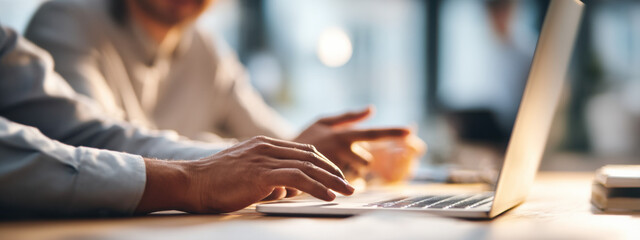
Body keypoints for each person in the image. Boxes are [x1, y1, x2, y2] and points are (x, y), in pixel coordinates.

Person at [24, 0, 425, 180]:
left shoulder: (205, 48)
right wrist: (227, 154)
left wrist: (364, 157)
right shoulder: (65, 19)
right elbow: (97, 148)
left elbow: (276, 138)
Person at [0, 25, 354, 217]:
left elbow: (89, 131)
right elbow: (74, 147)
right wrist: (192, 180)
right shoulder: (67, 18)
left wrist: (283, 156)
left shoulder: (205, 45)